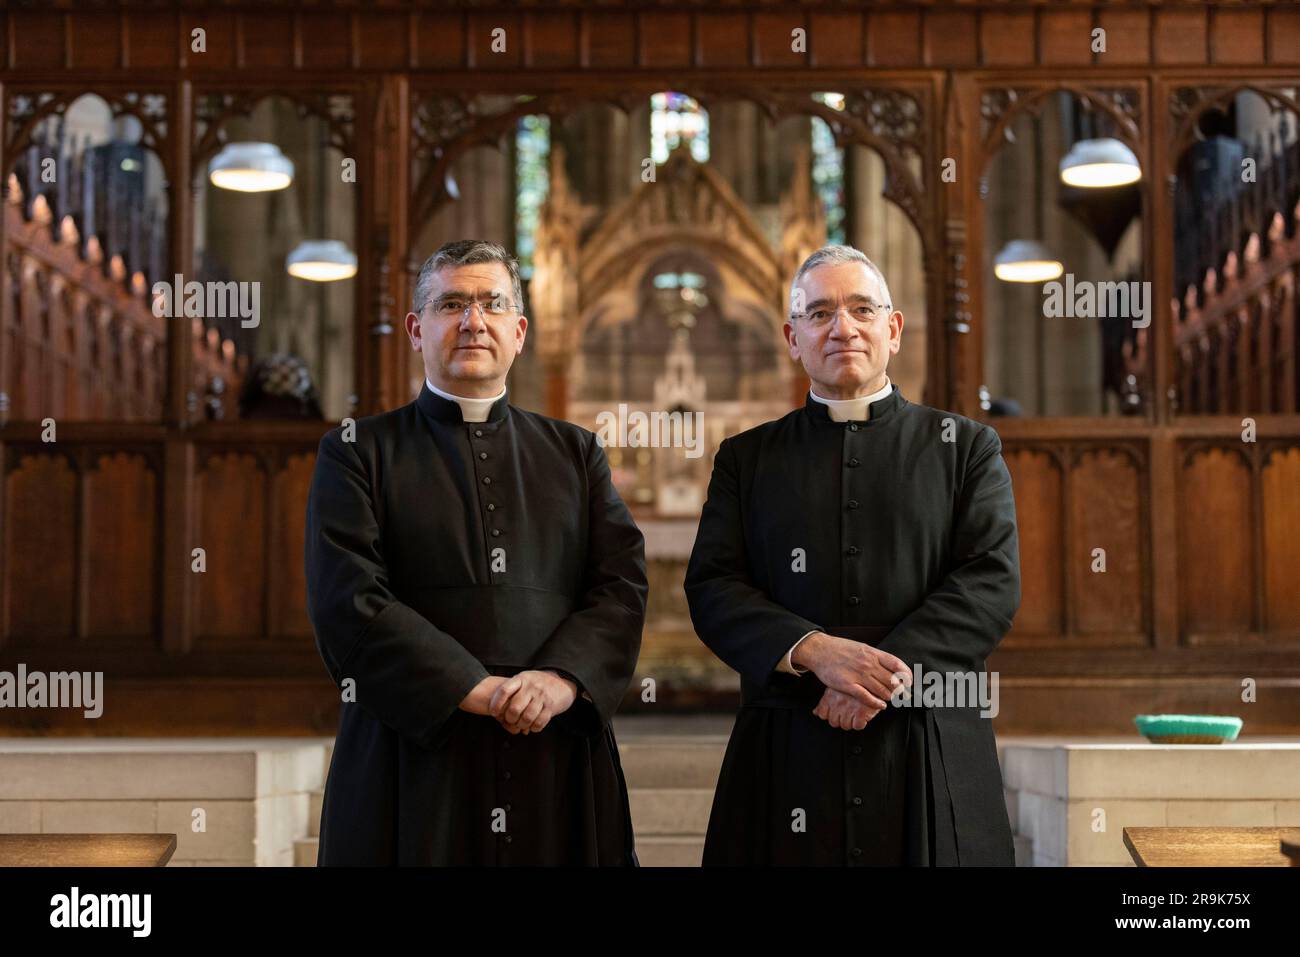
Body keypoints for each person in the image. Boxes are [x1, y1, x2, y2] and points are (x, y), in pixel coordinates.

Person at [305, 239, 647, 865]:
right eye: (451, 303)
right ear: (416, 328)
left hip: (556, 739)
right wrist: (478, 689)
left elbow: (620, 589)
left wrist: (560, 680)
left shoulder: (575, 453)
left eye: (492, 304)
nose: (472, 321)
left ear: (519, 332)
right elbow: (348, 600)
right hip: (412, 750)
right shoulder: (357, 451)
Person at [684, 243, 1020, 866]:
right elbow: (713, 587)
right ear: (793, 337)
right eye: (819, 314)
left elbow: (990, 580)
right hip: (790, 734)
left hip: (927, 732)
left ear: (892, 330)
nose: (843, 328)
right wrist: (816, 653)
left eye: (862, 309)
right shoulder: (747, 459)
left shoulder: (966, 447)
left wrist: (876, 675)